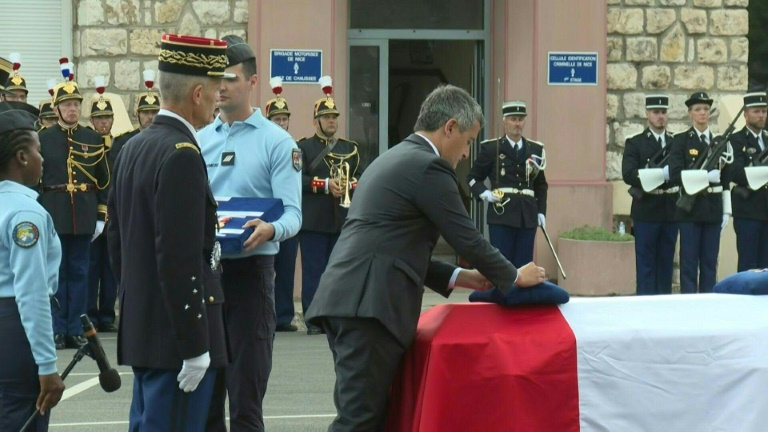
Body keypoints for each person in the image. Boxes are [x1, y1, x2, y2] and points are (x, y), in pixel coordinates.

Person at [305, 84, 547, 431]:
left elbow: (392, 246)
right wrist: (514, 275)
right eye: (467, 141)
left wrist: (459, 277)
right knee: (359, 421)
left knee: (372, 418)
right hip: (369, 306)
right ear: (450, 127)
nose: (466, 153)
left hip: (356, 301)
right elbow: (467, 238)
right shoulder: (429, 166)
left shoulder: (393, 158)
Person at [107, 33, 231, 431]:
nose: (219, 97)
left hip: (149, 334)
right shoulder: (182, 155)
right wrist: (194, 346)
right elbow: (179, 259)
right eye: (215, 88)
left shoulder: (134, 147)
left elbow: (117, 242)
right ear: (197, 93)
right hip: (177, 343)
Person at [198, 35, 302, 432]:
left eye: (230, 78)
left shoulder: (277, 142)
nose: (221, 87)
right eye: (216, 79)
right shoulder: (199, 140)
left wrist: (272, 228)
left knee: (245, 400)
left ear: (252, 81)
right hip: (207, 276)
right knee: (206, 402)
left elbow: (293, 213)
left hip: (251, 276)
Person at [0, 102, 65, 431]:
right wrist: (47, 365)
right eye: (38, 150)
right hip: (14, 327)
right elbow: (31, 293)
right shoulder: (26, 214)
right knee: (21, 417)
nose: (43, 158)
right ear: (22, 157)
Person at [38, 61, 109, 350]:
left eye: (76, 105)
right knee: (56, 274)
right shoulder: (42, 139)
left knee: (80, 273)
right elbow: (35, 181)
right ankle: (57, 328)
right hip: (54, 213)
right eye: (67, 105)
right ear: (56, 109)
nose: (72, 109)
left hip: (83, 213)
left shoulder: (91, 138)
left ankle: (76, 328)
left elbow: (104, 180)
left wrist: (101, 214)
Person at [298, 76, 363, 335]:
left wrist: (349, 184)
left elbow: (362, 176)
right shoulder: (303, 147)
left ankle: (336, 317)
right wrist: (325, 185)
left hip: (342, 219)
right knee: (314, 272)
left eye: (334, 117)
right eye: (326, 117)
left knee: (339, 272)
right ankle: (314, 319)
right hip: (314, 221)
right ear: (316, 121)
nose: (332, 121)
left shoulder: (350, 148)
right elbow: (297, 179)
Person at [466, 101, 548, 268]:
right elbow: (473, 178)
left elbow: (540, 185)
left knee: (524, 266)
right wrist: (486, 194)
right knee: (502, 266)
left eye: (520, 119)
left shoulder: (535, 150)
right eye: (513, 119)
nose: (517, 124)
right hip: (502, 214)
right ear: (504, 122)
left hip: (527, 216)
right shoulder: (492, 148)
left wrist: (541, 211)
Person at [668, 91, 732, 294]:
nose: (703, 113)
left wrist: (726, 210)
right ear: (690, 113)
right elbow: (675, 175)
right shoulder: (681, 140)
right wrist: (705, 177)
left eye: (706, 109)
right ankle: (689, 305)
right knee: (688, 264)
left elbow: (726, 179)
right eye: (698, 109)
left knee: (710, 263)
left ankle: (708, 303)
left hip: (713, 208)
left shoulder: (719, 142)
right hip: (691, 209)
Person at [621, 95, 678, 295]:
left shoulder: (676, 142)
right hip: (646, 208)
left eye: (663, 112)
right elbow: (628, 174)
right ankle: (644, 305)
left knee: (666, 264)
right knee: (645, 264)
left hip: (670, 209)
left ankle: (664, 305)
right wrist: (659, 174)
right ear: (647, 114)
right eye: (656, 112)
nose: (660, 116)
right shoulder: (635, 143)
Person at [265, 76, 299, 332]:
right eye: (277, 119)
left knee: (286, 269)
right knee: (264, 269)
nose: (281, 123)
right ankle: (265, 313)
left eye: (284, 119)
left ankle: (284, 315)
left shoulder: (292, 146)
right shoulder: (263, 144)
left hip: (287, 215)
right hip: (266, 216)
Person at [86, 83, 118, 332]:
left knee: (111, 268)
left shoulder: (121, 145)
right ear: (92, 121)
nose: (103, 122)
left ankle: (107, 315)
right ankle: (90, 314)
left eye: (106, 117)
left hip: (115, 214)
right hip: (93, 214)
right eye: (98, 118)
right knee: (91, 267)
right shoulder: (87, 145)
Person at [730, 91, 768, 271]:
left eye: (764, 111)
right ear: (745, 114)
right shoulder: (736, 140)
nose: (761, 115)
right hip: (748, 210)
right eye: (756, 111)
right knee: (748, 265)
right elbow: (736, 173)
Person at [110, 69, 161, 161]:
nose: (150, 117)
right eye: (145, 113)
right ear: (137, 114)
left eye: (154, 112)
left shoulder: (165, 140)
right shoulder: (124, 141)